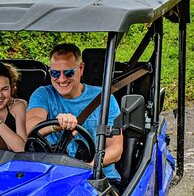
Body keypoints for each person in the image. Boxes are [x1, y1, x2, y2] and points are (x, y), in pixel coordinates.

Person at [26, 43, 123, 181]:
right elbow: (32, 125)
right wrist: (56, 125)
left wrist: (89, 166)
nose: (61, 79)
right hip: (52, 176)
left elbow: (116, 148)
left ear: (81, 68)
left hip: (97, 176)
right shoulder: (43, 94)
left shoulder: (104, 98)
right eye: (55, 73)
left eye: (68, 72)